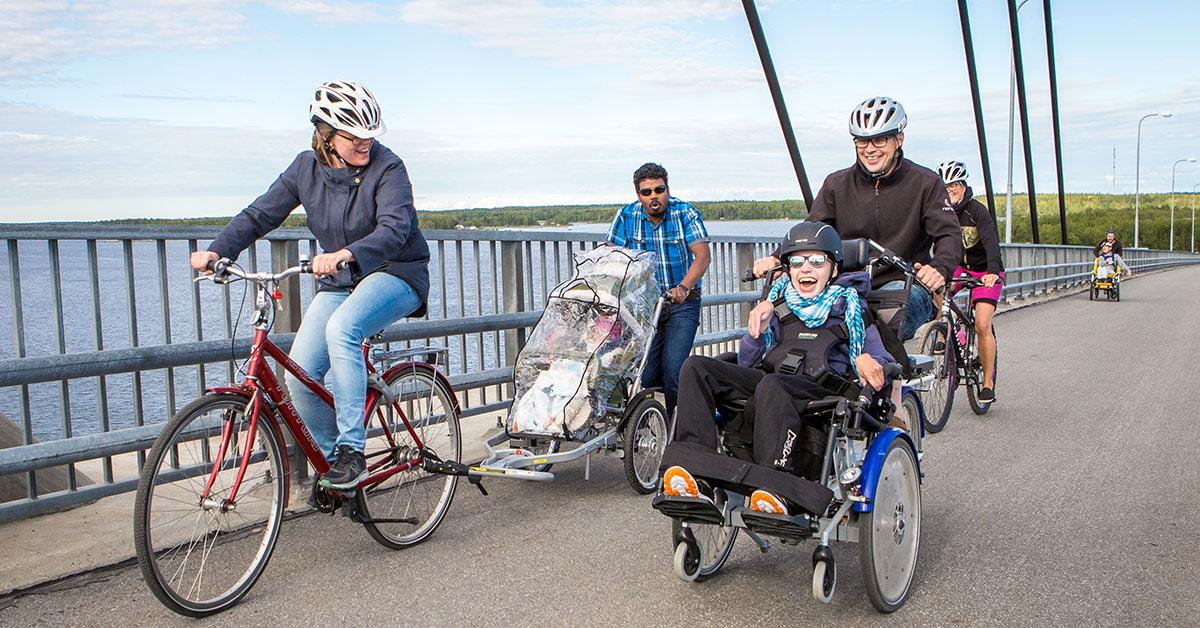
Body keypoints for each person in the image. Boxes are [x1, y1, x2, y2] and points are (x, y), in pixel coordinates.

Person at [191, 80, 430, 490]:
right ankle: (334, 466)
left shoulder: (388, 167)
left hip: (395, 271)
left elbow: (395, 229)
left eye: (369, 134)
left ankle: (353, 452)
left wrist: (346, 253)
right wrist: (217, 250)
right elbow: (259, 215)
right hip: (341, 280)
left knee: (344, 329)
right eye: (353, 136)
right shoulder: (305, 168)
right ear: (326, 135)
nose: (364, 143)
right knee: (299, 375)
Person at [660, 222, 894, 516]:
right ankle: (696, 472)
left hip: (821, 390)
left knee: (774, 384)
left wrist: (867, 360)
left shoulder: (851, 308)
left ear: (833, 270)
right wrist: (755, 333)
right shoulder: (777, 304)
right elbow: (747, 364)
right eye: (797, 261)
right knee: (696, 366)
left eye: (817, 261)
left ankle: (774, 488)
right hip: (770, 383)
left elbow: (883, 365)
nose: (806, 268)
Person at [753, 96, 961, 341]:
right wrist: (778, 259)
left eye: (879, 139)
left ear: (899, 139)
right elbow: (812, 231)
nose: (870, 149)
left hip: (901, 282)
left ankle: (888, 376)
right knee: (795, 322)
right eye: (862, 141)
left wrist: (939, 269)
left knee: (882, 324)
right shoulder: (836, 184)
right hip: (846, 282)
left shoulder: (925, 183)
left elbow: (949, 233)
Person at [606, 163, 710, 415]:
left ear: (667, 188)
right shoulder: (626, 216)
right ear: (638, 195)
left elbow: (702, 256)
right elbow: (613, 257)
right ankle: (657, 422)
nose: (654, 196)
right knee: (647, 372)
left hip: (682, 303)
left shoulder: (685, 213)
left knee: (674, 370)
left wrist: (684, 287)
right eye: (646, 192)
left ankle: (679, 431)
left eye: (659, 190)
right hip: (645, 307)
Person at [938, 160, 1002, 403]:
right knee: (936, 286)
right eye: (945, 186)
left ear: (963, 185)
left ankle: (987, 383)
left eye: (953, 184)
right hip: (960, 268)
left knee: (982, 324)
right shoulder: (941, 212)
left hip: (985, 270)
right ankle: (951, 339)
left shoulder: (977, 211)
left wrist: (993, 270)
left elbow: (990, 241)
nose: (949, 189)